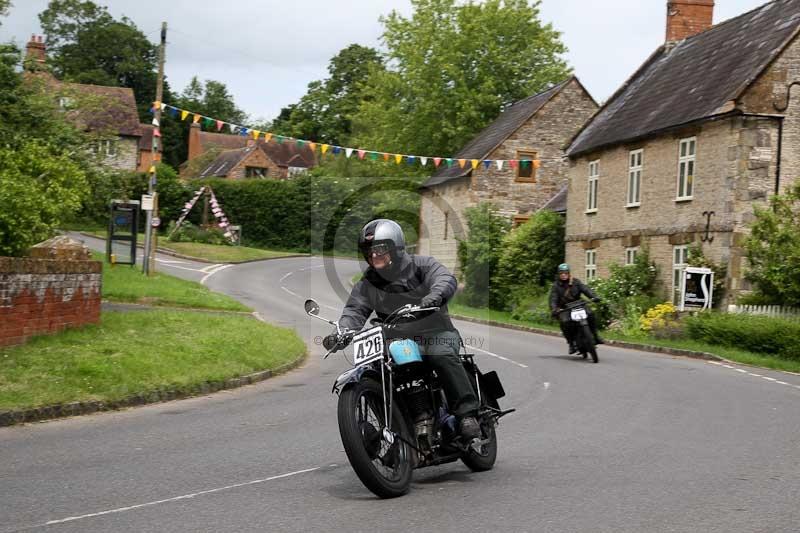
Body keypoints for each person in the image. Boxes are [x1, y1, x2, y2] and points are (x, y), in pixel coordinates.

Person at [323, 219, 481, 439]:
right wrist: (341, 333)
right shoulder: (368, 284)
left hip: (434, 333)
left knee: (440, 354)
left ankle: (466, 415)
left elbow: (444, 279)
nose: (374, 255)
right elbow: (354, 310)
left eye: (380, 249)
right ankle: (401, 426)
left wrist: (433, 297)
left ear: (395, 247)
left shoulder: (422, 265)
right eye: (369, 251)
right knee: (379, 370)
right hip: (397, 341)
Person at [549, 263, 603, 353]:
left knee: (590, 314)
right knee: (565, 322)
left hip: (579, 304)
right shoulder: (556, 286)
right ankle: (571, 344)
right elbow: (553, 299)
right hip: (565, 308)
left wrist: (594, 297)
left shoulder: (575, 282)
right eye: (561, 273)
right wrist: (554, 309)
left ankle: (596, 336)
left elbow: (586, 289)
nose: (563, 275)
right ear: (558, 274)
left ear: (569, 273)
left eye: (565, 273)